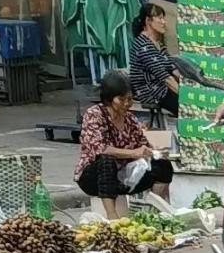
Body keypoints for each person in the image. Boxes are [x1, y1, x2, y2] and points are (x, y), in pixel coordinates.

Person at [74, 74, 174, 217]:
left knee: (163, 165)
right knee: (106, 160)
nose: (127, 103)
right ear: (109, 99)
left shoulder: (130, 119)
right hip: (93, 178)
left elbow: (143, 145)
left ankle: (153, 212)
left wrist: (154, 152)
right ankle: (112, 215)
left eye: (130, 99)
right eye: (121, 99)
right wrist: (133, 153)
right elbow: (100, 148)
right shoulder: (94, 115)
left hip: (123, 177)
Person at [128, 0, 221, 132]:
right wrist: (185, 95)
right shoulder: (143, 45)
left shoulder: (158, 43)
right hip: (153, 91)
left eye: (163, 18)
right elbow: (166, 79)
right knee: (191, 107)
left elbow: (173, 69)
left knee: (196, 96)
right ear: (148, 21)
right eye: (159, 18)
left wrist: (192, 84)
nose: (163, 22)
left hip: (164, 88)